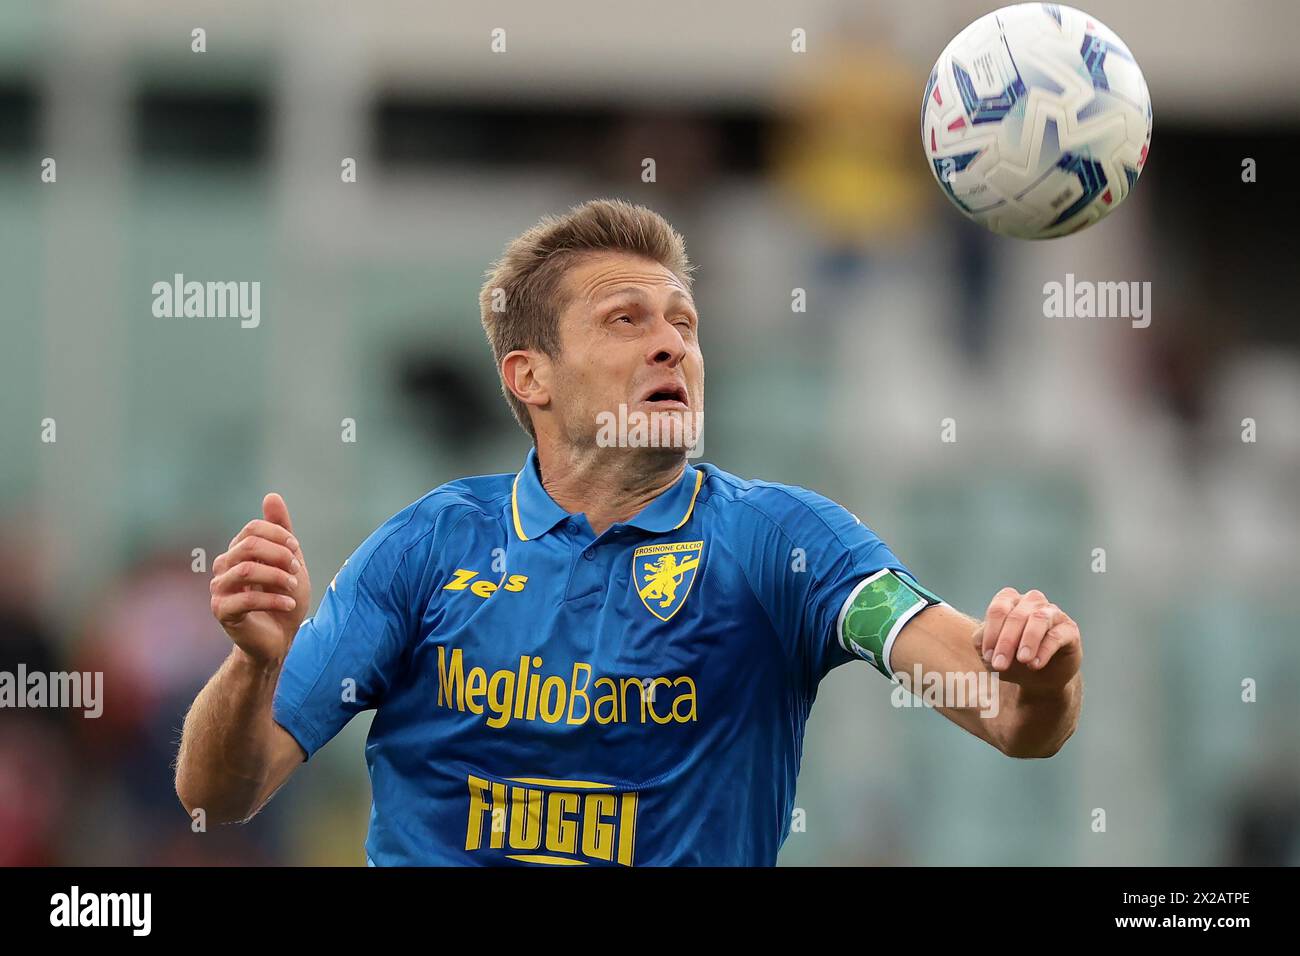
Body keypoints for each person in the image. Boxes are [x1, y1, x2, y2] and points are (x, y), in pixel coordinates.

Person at [175, 199, 1082, 865]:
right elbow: (220, 794)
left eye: (684, 325)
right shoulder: (427, 547)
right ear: (529, 376)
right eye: (627, 320)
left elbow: (1007, 714)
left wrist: (1042, 676)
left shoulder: (785, 544)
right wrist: (255, 665)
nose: (672, 346)